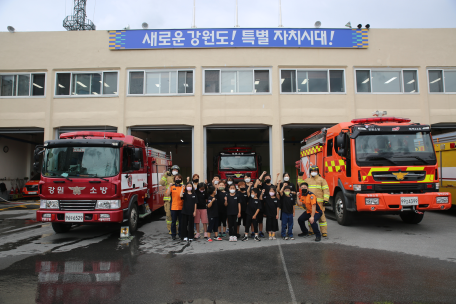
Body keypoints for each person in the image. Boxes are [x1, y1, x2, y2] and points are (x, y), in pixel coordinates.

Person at [298, 165, 329, 237]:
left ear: (318, 171)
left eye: (315, 171)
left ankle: (324, 232)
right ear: (310, 172)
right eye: (312, 171)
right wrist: (300, 177)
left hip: (319, 203)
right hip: (309, 203)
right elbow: (301, 185)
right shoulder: (307, 180)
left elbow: (326, 190)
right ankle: (311, 230)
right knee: (310, 216)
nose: (313, 172)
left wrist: (326, 199)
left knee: (322, 218)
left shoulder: (322, 180)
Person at [160, 164, 180, 234]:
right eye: (174, 170)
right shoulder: (168, 178)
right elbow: (161, 183)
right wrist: (165, 175)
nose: (175, 171)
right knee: (169, 216)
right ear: (171, 171)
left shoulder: (179, 178)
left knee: (176, 216)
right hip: (168, 200)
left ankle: (176, 229)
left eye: (176, 170)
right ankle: (170, 229)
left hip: (176, 200)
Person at [165, 173, 184, 241]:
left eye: (179, 178)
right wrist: (169, 186)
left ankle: (181, 234)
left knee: (181, 222)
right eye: (176, 178)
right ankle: (173, 234)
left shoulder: (183, 187)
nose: (178, 179)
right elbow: (167, 194)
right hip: (174, 207)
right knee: (173, 222)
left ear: (181, 179)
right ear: (174, 179)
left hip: (181, 207)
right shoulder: (172, 186)